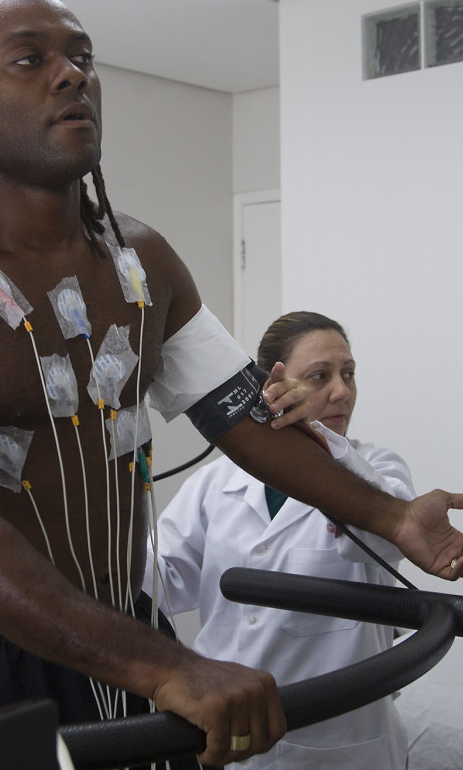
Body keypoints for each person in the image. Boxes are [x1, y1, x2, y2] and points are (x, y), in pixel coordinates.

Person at [0, 0, 463, 768]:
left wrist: (392, 518)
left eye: (82, 57)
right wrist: (173, 666)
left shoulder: (141, 260)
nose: (71, 75)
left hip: (125, 622)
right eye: (30, 59)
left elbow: (243, 420)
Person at [147, 312, 418, 768]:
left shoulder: (377, 471)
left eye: (348, 374)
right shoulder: (217, 482)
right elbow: (164, 580)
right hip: (229, 740)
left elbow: (388, 537)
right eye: (320, 376)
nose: (342, 391)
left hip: (339, 745)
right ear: (270, 385)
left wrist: (317, 443)